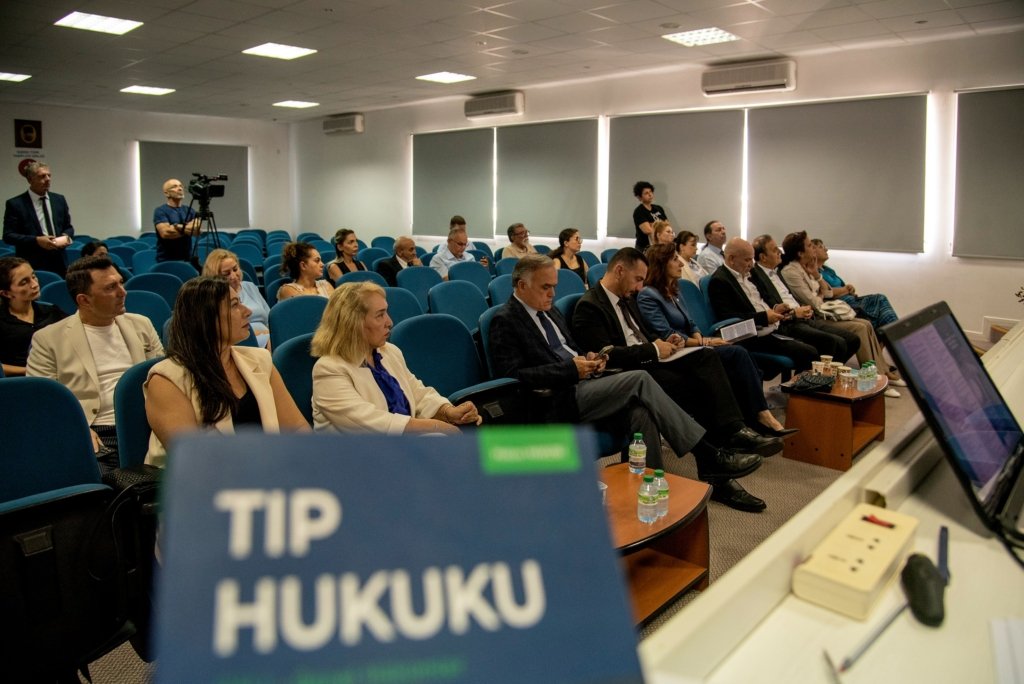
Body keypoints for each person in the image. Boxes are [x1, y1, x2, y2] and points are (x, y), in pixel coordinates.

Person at [489, 254, 766, 512]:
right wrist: (571, 369)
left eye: (554, 286)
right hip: (556, 397)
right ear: (522, 285)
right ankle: (708, 454)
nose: (552, 293)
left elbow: (570, 350)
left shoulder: (550, 311)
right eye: (545, 287)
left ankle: (646, 492)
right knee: (640, 379)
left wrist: (589, 359)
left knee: (641, 413)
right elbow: (514, 376)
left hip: (586, 382)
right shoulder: (505, 319)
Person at [571, 247, 782, 514]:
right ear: (620, 271)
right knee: (693, 389)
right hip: (629, 373)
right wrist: (653, 349)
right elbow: (607, 356)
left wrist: (665, 342)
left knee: (706, 358)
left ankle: (732, 431)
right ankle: (714, 462)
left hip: (651, 363)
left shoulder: (628, 298)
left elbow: (644, 335)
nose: (640, 287)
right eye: (637, 279)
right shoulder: (589, 306)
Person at [144, 276, 308, 467]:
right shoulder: (166, 380)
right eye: (234, 305)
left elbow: (296, 428)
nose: (247, 311)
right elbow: (194, 462)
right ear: (204, 318)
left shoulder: (260, 360)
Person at [636, 244, 796, 437]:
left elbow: (691, 323)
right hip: (675, 351)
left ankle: (753, 418)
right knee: (736, 354)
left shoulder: (673, 291)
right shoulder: (648, 295)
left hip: (693, 345)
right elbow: (665, 333)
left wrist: (699, 336)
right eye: (674, 259)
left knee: (738, 355)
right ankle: (755, 419)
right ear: (661, 264)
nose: (681, 264)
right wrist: (706, 342)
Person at [27, 255, 164, 472]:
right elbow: (43, 401)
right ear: (84, 300)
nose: (123, 292)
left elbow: (161, 377)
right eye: (110, 287)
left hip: (146, 423)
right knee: (109, 484)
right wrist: (77, 429)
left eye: (121, 282)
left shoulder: (141, 324)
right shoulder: (48, 339)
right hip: (96, 431)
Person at [311, 282, 482, 434]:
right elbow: (369, 424)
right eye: (380, 315)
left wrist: (448, 412)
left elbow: (418, 394)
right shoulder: (329, 369)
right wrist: (436, 426)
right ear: (353, 323)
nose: (389, 322)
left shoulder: (389, 351)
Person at [779, 231, 904, 397]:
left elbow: (828, 292)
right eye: (809, 245)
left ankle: (883, 371)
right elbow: (815, 303)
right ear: (800, 253)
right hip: (816, 316)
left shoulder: (807, 268)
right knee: (860, 328)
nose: (813, 249)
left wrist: (816, 274)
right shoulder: (791, 271)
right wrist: (821, 293)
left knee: (866, 324)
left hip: (823, 312)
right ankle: (873, 378)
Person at [707, 238, 818, 373]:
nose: (751, 264)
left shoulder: (750, 274)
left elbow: (763, 300)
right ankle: (800, 385)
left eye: (752, 259)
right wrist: (764, 317)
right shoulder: (720, 281)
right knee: (809, 352)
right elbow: (729, 318)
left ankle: (800, 383)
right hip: (751, 336)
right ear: (731, 259)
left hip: (771, 327)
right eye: (747, 260)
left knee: (813, 344)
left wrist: (775, 309)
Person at [750, 234, 859, 362]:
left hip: (804, 316)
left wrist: (803, 308)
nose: (779, 251)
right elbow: (771, 306)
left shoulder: (777, 271)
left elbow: (823, 293)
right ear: (763, 257)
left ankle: (827, 371)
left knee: (853, 339)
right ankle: (821, 372)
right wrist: (794, 313)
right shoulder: (757, 276)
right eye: (775, 250)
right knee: (834, 342)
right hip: (788, 323)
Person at [3, 161, 74, 276]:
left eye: (49, 175)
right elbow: (8, 236)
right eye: (42, 176)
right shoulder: (16, 204)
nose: (48, 179)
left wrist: (65, 236)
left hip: (59, 261)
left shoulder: (59, 199)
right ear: (30, 180)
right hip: (32, 263)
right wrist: (36, 240)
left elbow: (68, 227)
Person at [0, 256, 67, 376]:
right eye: (24, 282)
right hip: (21, 380)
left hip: (58, 373)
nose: (35, 284)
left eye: (33, 276)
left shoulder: (52, 311)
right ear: (6, 293)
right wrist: (31, 371)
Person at [811, 238, 899, 328]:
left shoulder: (828, 270)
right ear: (813, 252)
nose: (826, 249)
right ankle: (895, 332)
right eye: (821, 247)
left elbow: (844, 288)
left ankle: (892, 332)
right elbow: (826, 292)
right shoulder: (814, 273)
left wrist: (848, 289)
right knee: (880, 299)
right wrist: (846, 289)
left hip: (851, 300)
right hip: (839, 304)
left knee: (880, 307)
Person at [203, 248, 271, 348]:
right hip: (242, 343)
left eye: (235, 269)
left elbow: (269, 317)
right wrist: (262, 335)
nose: (234, 276)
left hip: (268, 337)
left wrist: (271, 335)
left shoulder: (250, 286)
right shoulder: (214, 298)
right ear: (215, 277)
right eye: (226, 274)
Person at [153, 178, 199, 263]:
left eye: (181, 186)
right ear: (166, 193)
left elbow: (196, 230)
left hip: (188, 259)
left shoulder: (190, 210)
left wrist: (177, 226)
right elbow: (166, 233)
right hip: (166, 260)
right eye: (174, 186)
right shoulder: (160, 211)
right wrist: (188, 230)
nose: (180, 188)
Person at [632, 181, 666, 251]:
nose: (650, 195)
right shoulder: (639, 211)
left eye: (651, 192)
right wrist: (660, 225)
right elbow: (648, 230)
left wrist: (652, 224)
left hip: (660, 245)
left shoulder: (659, 208)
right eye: (646, 193)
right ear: (639, 197)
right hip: (644, 247)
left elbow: (667, 225)